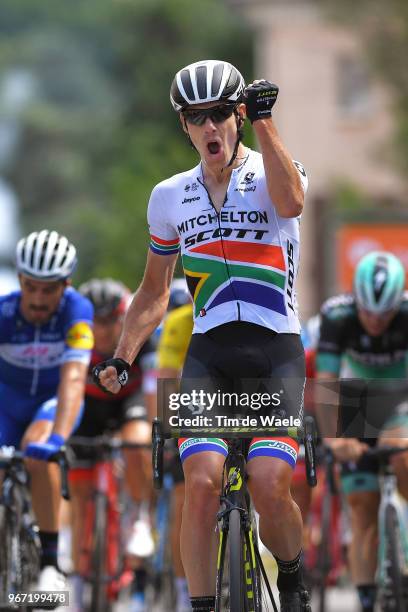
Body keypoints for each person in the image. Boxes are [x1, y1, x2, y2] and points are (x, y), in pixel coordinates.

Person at [94, 59, 310, 611]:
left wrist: (265, 122)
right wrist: (122, 354)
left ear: (236, 114)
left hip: (273, 351)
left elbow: (293, 204)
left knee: (268, 484)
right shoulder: (169, 197)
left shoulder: (273, 172)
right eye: (196, 117)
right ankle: (201, 606)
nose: (209, 127)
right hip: (209, 355)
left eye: (219, 114)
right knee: (201, 485)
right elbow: (152, 291)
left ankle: (291, 577)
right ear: (184, 126)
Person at [0, 229, 94, 591]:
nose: (38, 299)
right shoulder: (5, 313)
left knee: (39, 455)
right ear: (20, 279)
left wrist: (57, 438)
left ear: (66, 285)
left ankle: (51, 565)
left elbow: (73, 378)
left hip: (51, 404)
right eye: (31, 287)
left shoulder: (77, 309)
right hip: (7, 406)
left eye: (49, 289)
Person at [316, 250, 408, 612]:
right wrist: (333, 440)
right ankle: (368, 597)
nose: (374, 321)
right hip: (356, 403)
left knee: (400, 452)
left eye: (383, 314)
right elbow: (326, 382)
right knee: (361, 505)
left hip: (400, 401)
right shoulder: (337, 315)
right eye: (367, 312)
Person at [68, 278, 156, 612]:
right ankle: (77, 582)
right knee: (78, 499)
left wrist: (156, 429)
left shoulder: (141, 340)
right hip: (87, 408)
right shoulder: (77, 341)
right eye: (96, 321)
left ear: (124, 316)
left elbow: (151, 393)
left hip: (127, 404)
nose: (104, 330)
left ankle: (139, 519)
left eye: (111, 320)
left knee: (138, 443)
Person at [156, 280, 193, 612]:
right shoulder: (179, 322)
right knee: (184, 502)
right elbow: (167, 382)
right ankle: (185, 592)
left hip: (240, 402)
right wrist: (169, 433)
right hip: (192, 412)